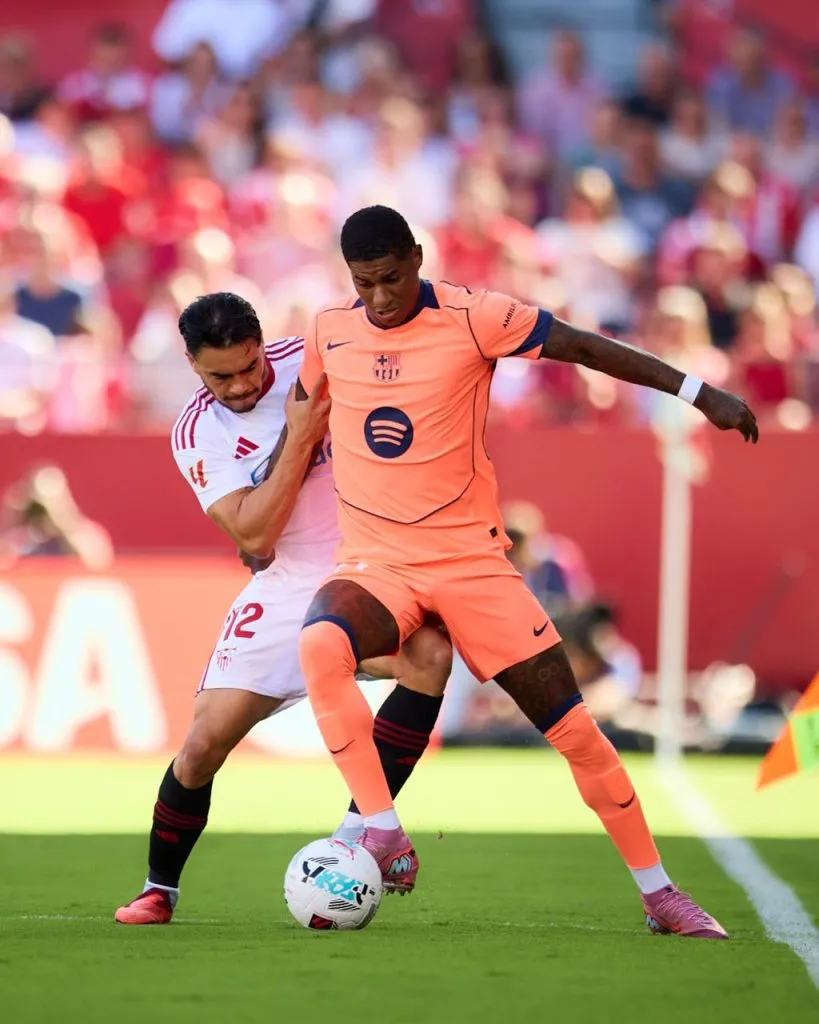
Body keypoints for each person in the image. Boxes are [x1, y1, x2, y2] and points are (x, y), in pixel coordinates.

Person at [296, 205, 758, 937]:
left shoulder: (477, 317)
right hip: (377, 563)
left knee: (579, 736)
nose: (379, 299)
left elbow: (582, 348)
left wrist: (698, 394)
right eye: (363, 283)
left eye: (390, 279)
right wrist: (262, 510)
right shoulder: (329, 330)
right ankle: (380, 832)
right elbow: (302, 425)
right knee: (320, 644)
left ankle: (659, 894)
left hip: (472, 565)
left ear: (417, 258)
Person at [114, 292, 452, 925]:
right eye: (223, 376)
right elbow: (254, 536)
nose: (242, 385)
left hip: (365, 571)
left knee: (429, 657)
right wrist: (300, 434)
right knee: (203, 744)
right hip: (288, 584)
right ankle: (160, 889)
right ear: (191, 364)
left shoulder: (316, 361)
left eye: (251, 366)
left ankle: (364, 836)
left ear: (262, 344)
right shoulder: (197, 431)